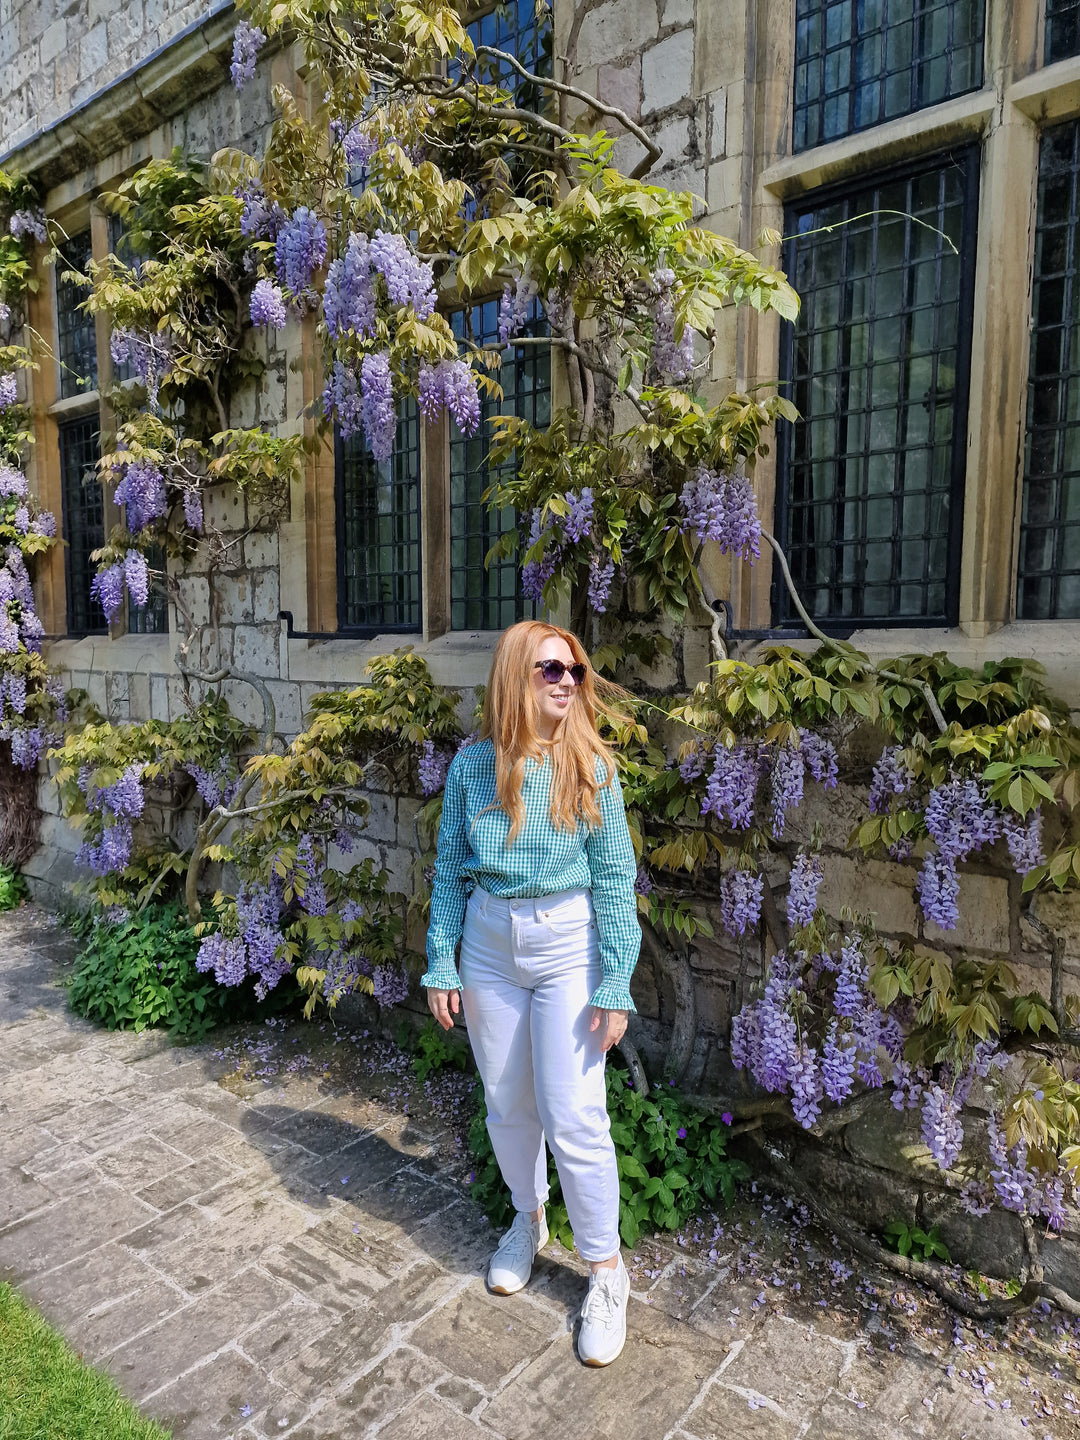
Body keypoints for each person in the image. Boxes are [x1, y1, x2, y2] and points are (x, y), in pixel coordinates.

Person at [421, 619, 641, 1366]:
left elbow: (615, 881)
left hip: (567, 946)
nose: (568, 682)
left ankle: (607, 1272)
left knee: (576, 1114)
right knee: (507, 1101)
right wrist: (441, 963)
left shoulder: (593, 770)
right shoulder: (473, 768)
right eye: (551, 669)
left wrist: (617, 979)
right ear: (516, 675)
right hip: (488, 944)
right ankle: (527, 1218)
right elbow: (450, 869)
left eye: (575, 670)